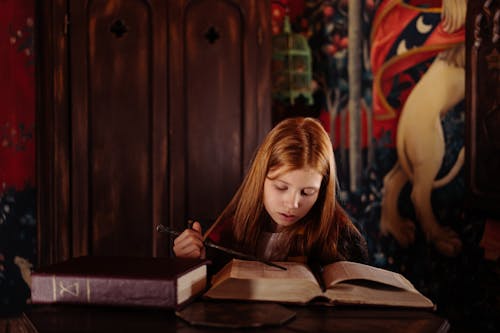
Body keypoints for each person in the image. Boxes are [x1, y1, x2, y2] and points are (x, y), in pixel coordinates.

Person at [173, 117, 368, 269]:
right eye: (281, 187)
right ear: (260, 179)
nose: (292, 204)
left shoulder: (342, 240)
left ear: (322, 191)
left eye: (307, 192)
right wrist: (189, 264)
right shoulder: (224, 233)